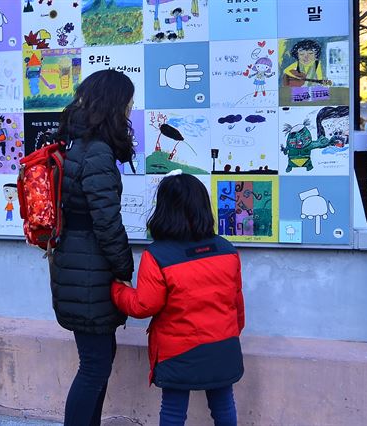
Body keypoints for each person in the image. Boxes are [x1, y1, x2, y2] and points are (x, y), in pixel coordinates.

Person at [111, 171, 245, 426]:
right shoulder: (227, 249)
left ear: (164, 210)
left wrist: (117, 290)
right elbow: (237, 302)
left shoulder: (158, 255)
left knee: (173, 411)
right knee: (224, 404)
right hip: (223, 344)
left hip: (178, 350)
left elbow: (143, 305)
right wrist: (230, 334)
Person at [49, 69, 136, 426]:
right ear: (115, 104)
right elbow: (106, 221)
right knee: (94, 365)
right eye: (129, 102)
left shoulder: (78, 145)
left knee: (98, 361)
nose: (131, 109)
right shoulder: (96, 151)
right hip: (89, 271)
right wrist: (124, 268)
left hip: (77, 264)